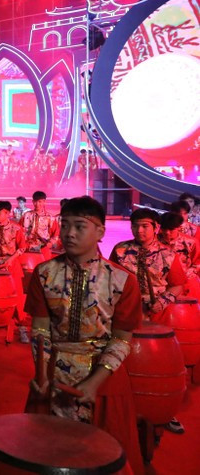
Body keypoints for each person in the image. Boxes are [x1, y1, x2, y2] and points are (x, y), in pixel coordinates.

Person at [25, 196, 144, 474]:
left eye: (79, 226)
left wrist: (94, 383)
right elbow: (40, 331)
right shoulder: (44, 274)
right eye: (64, 225)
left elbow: (122, 338)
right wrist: (41, 374)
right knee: (49, 452)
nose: (69, 233)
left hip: (104, 379)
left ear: (100, 232)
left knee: (103, 455)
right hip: (54, 373)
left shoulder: (122, 279)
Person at [110, 207, 188, 435]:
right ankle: (121, 407)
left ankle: (164, 410)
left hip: (158, 315)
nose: (139, 230)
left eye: (145, 226)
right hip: (127, 313)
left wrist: (162, 302)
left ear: (155, 228)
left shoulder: (167, 254)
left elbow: (178, 284)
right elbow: (110, 279)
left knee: (160, 365)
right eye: (135, 226)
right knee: (123, 359)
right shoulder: (121, 250)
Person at [0, 200, 30, 343]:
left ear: (7, 214)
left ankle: (21, 328)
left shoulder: (16, 228)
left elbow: (22, 248)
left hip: (11, 265)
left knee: (16, 296)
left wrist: (10, 260)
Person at [159, 212, 199, 299]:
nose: (167, 232)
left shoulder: (191, 242)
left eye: (171, 229)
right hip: (161, 283)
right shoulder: (154, 241)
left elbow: (197, 263)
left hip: (186, 281)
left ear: (179, 228)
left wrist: (185, 276)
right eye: (164, 229)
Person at [21, 191, 60, 259]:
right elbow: (19, 231)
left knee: (46, 268)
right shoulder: (26, 215)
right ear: (33, 202)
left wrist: (50, 244)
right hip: (28, 248)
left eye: (39, 202)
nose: (37, 204)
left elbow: (56, 234)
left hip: (44, 248)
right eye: (35, 202)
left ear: (44, 202)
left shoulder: (50, 218)